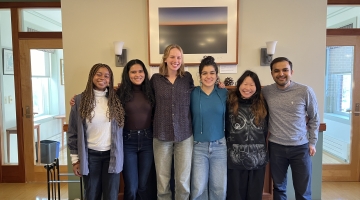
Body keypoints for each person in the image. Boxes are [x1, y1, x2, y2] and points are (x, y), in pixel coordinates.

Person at [262, 57, 320, 200]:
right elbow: (246, 92)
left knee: (303, 191)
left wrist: (312, 142)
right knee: (279, 189)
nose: (281, 74)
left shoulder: (305, 91)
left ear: (291, 72)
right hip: (276, 147)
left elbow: (314, 118)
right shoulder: (267, 91)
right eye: (276, 71)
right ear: (272, 74)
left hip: (300, 148)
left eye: (285, 70)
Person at [67, 63, 125, 200]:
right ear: (92, 76)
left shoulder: (116, 100)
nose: (102, 78)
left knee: (111, 196)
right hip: (90, 157)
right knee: (92, 195)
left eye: (106, 75)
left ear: (110, 79)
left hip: (112, 156)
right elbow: (73, 132)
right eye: (98, 74)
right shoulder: (79, 101)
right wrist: (75, 161)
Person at [150, 44, 194, 199]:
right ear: (165, 59)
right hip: (161, 134)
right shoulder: (155, 79)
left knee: (183, 181)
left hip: (185, 135)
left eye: (179, 57)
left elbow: (197, 96)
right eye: (172, 57)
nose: (176, 60)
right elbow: (146, 100)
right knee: (162, 182)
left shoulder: (187, 78)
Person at [225, 70, 269, 200]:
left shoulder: (263, 103)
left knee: (254, 195)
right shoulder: (229, 101)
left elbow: (265, 130)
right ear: (239, 84)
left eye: (252, 85)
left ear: (257, 87)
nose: (248, 88)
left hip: (258, 158)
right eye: (245, 84)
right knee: (235, 195)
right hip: (235, 158)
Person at [116, 59, 155, 200]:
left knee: (143, 186)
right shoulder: (119, 93)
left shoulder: (151, 90)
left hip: (148, 141)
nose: (137, 75)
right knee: (131, 187)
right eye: (133, 72)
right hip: (128, 142)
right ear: (127, 74)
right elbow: (99, 93)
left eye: (140, 71)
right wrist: (76, 100)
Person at [190, 56, 228, 200]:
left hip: (219, 146)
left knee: (219, 188)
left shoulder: (224, 93)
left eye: (212, 73)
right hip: (198, 146)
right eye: (205, 73)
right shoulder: (192, 94)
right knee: (198, 188)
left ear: (217, 75)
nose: (208, 76)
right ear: (200, 76)